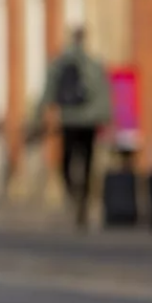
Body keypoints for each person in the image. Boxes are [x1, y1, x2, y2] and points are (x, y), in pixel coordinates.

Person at [31, 27, 112, 228]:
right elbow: (103, 92)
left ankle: (73, 192)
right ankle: (83, 196)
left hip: (69, 119)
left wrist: (37, 115)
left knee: (67, 159)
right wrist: (106, 116)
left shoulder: (60, 63)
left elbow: (48, 89)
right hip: (89, 122)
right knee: (87, 159)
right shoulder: (94, 63)